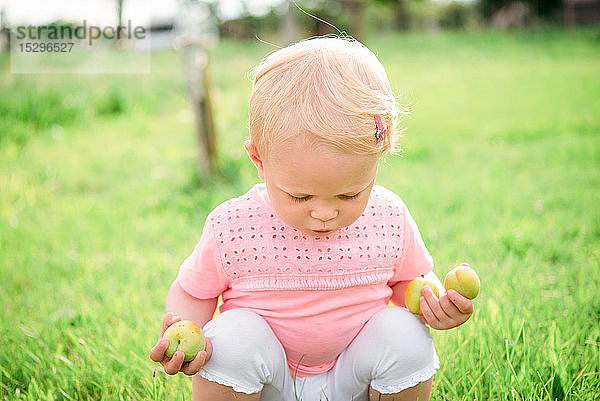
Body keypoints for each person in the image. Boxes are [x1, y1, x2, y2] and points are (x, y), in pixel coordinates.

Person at [150, 36, 475, 401]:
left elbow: (408, 283)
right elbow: (194, 290)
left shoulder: (388, 217)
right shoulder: (234, 227)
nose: (324, 213)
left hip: (352, 378)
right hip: (265, 385)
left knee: (405, 333)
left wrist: (434, 303)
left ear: (381, 154)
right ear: (258, 160)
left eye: (349, 194)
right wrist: (185, 329)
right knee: (230, 338)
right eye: (300, 195)